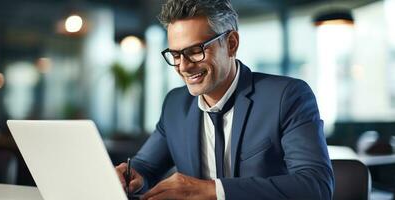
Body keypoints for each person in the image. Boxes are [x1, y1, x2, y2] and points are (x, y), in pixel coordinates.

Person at [115, 0, 334, 199]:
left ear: (231, 43)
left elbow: (315, 186)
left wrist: (210, 190)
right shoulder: (175, 104)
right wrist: (134, 175)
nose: (184, 66)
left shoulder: (287, 96)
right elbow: (146, 166)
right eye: (176, 55)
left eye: (195, 51)